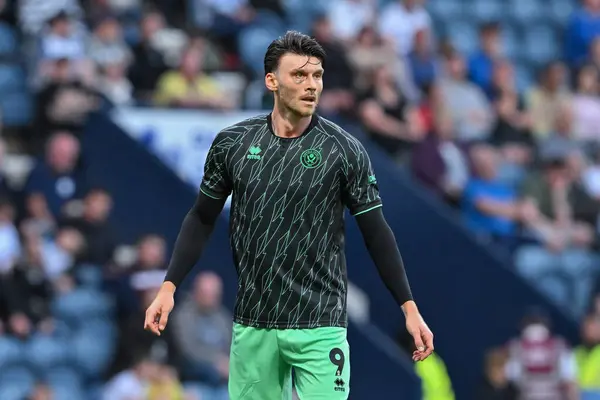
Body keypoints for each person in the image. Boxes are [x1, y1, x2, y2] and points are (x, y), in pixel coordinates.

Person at [144, 30, 434, 400]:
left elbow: (376, 232)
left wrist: (408, 307)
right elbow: (201, 218)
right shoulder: (233, 144)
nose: (312, 85)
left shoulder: (344, 150)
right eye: (299, 75)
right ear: (272, 81)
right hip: (253, 327)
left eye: (317, 76)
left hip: (320, 325)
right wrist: (169, 287)